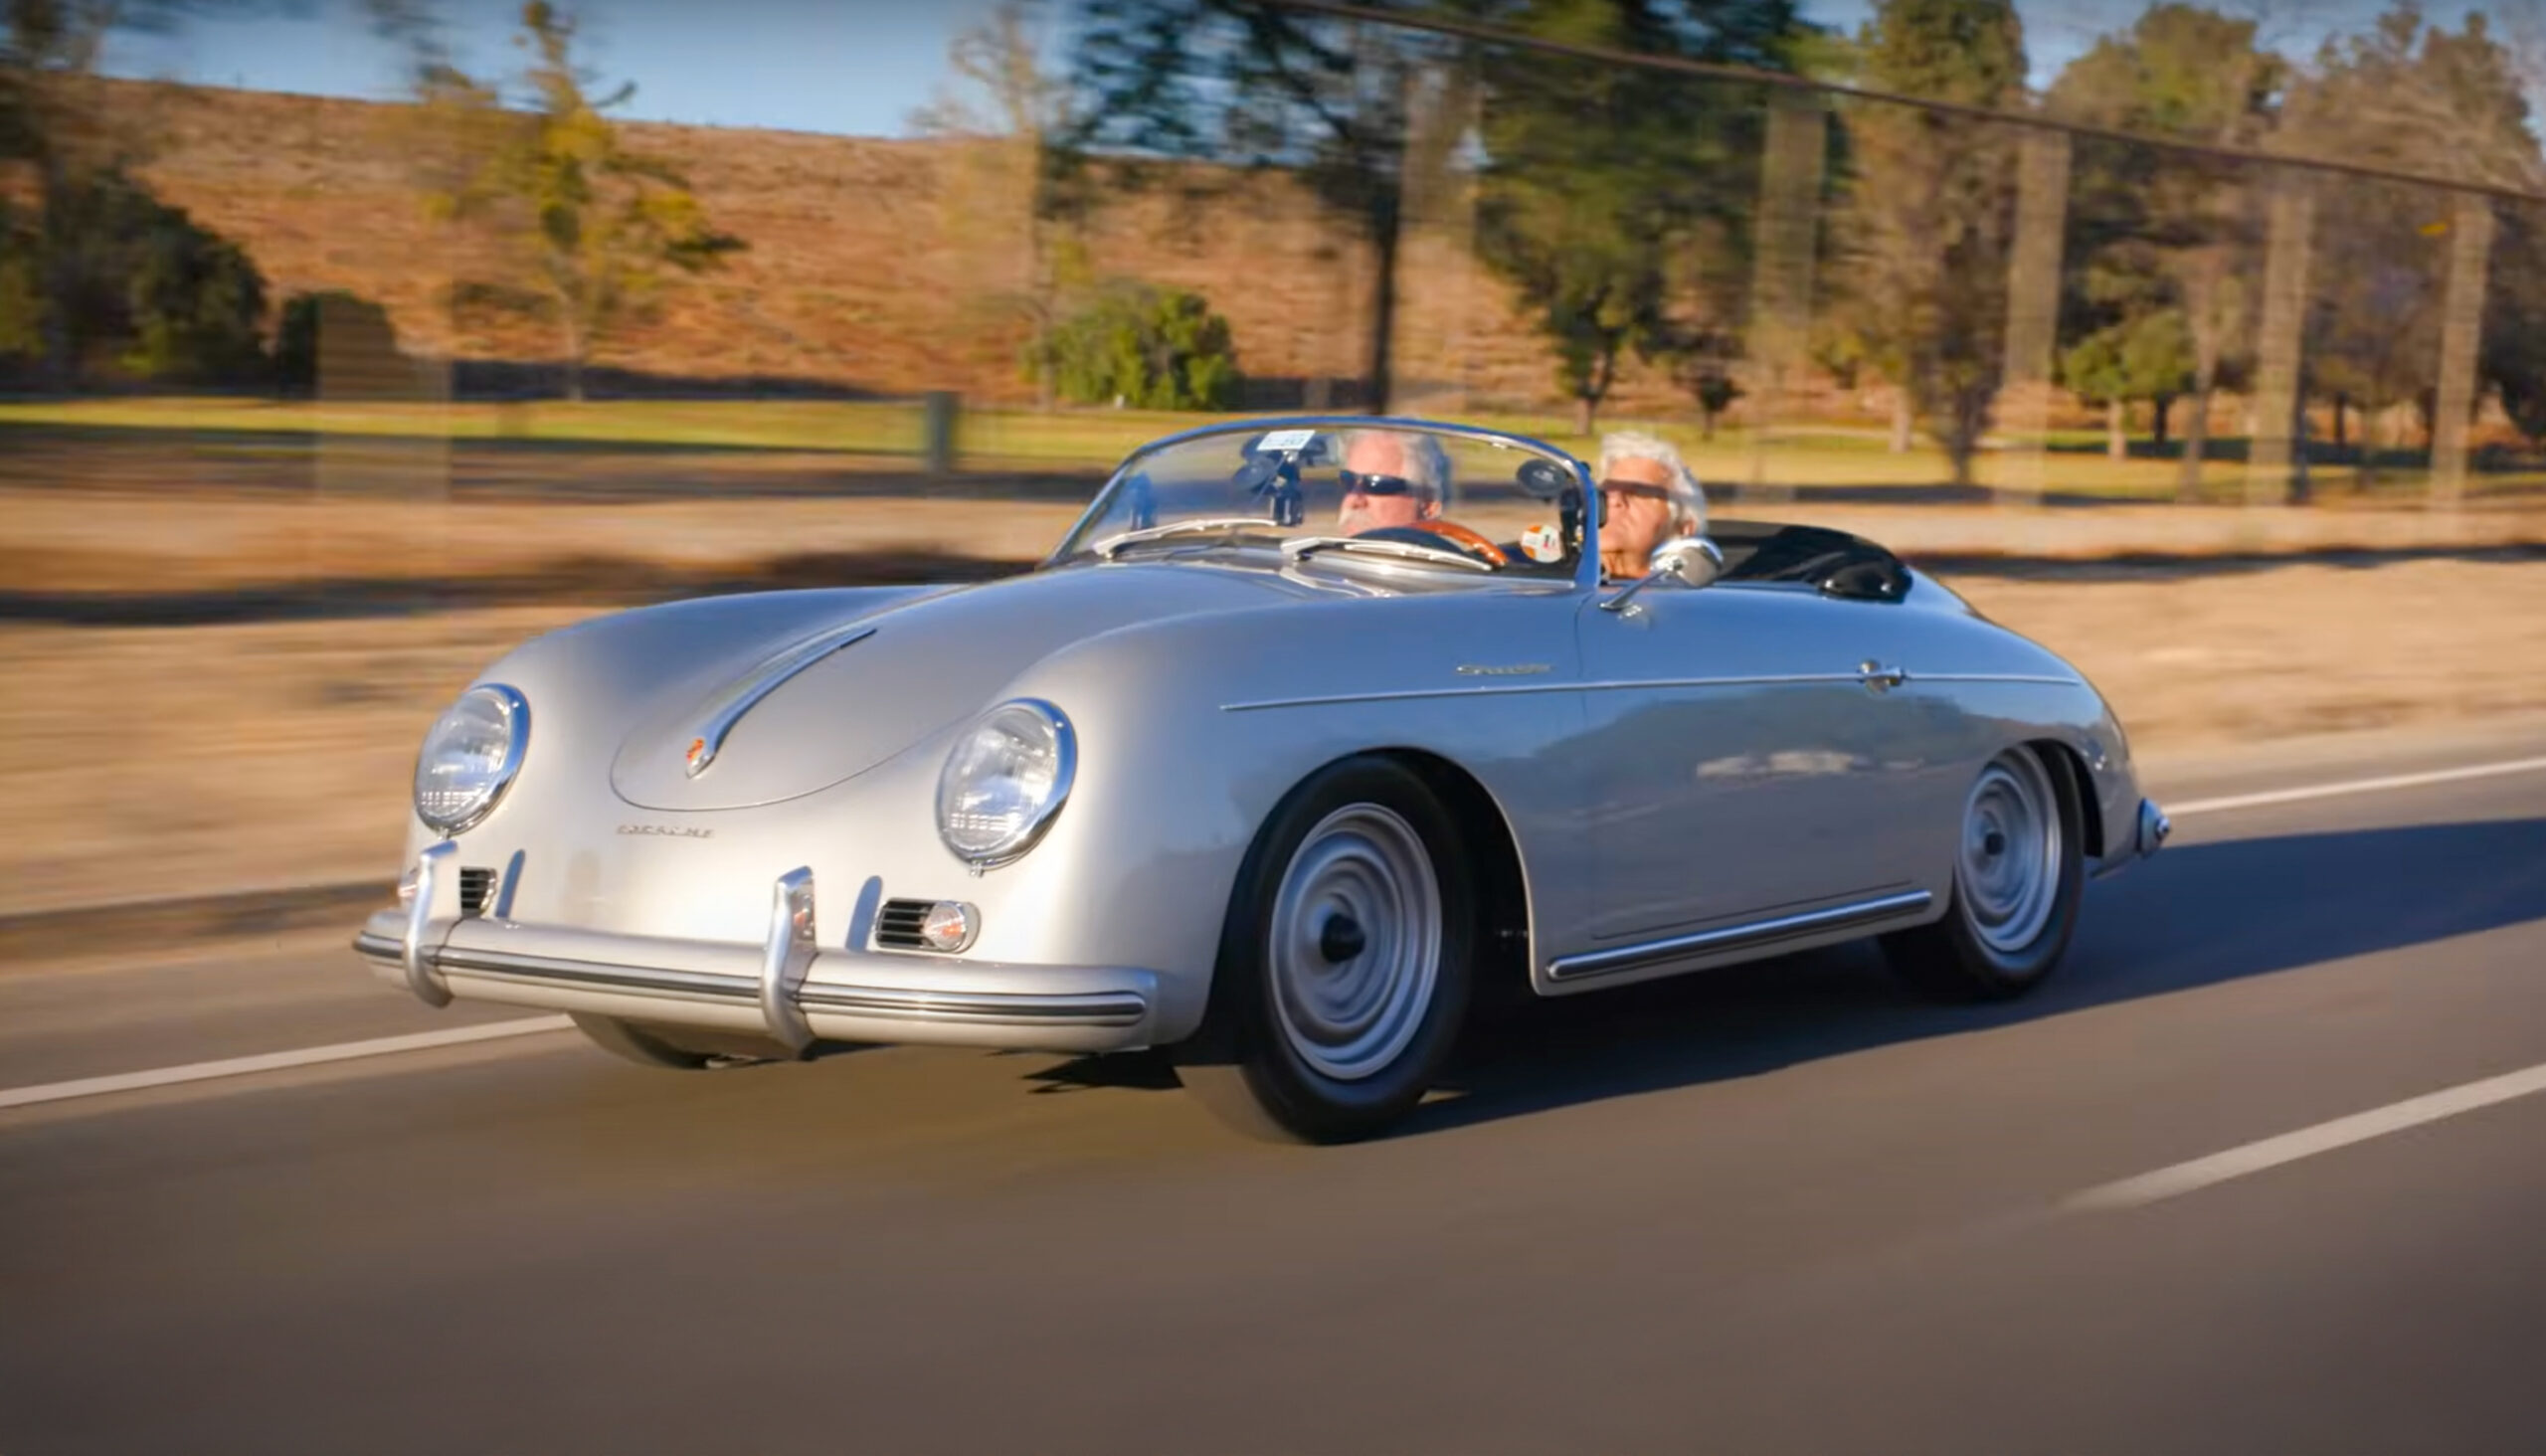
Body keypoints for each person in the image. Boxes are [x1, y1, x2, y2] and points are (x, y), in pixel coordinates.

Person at [1595, 430, 1708, 580]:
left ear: (1683, 528)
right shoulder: (1560, 584)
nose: (1613, 500)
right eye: (1606, 491)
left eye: (1637, 494)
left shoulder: (1698, 601)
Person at [1333, 428, 1453, 536]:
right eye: (1348, 480)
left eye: (1377, 484)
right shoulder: (1319, 557)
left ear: (1429, 506)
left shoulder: (1448, 560)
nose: (1353, 501)